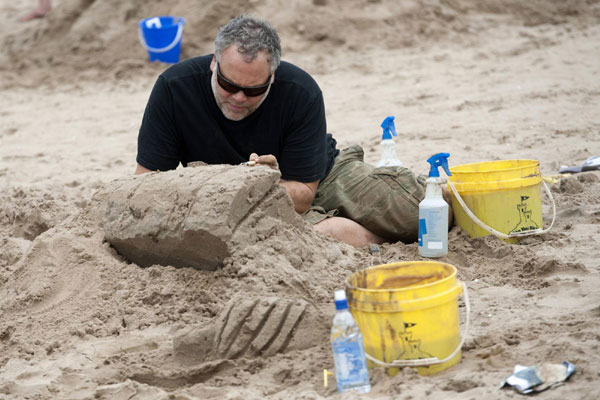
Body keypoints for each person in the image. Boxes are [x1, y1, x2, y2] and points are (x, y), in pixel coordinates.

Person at [136, 15, 438, 248]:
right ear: (214, 63)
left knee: (427, 213)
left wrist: (267, 183)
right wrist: (243, 182)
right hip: (222, 196)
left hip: (319, 176)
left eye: (253, 90)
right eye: (228, 85)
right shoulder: (174, 88)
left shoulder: (300, 91)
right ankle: (350, 235)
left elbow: (304, 194)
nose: (238, 97)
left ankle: (341, 232)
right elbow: (145, 183)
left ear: (272, 76)